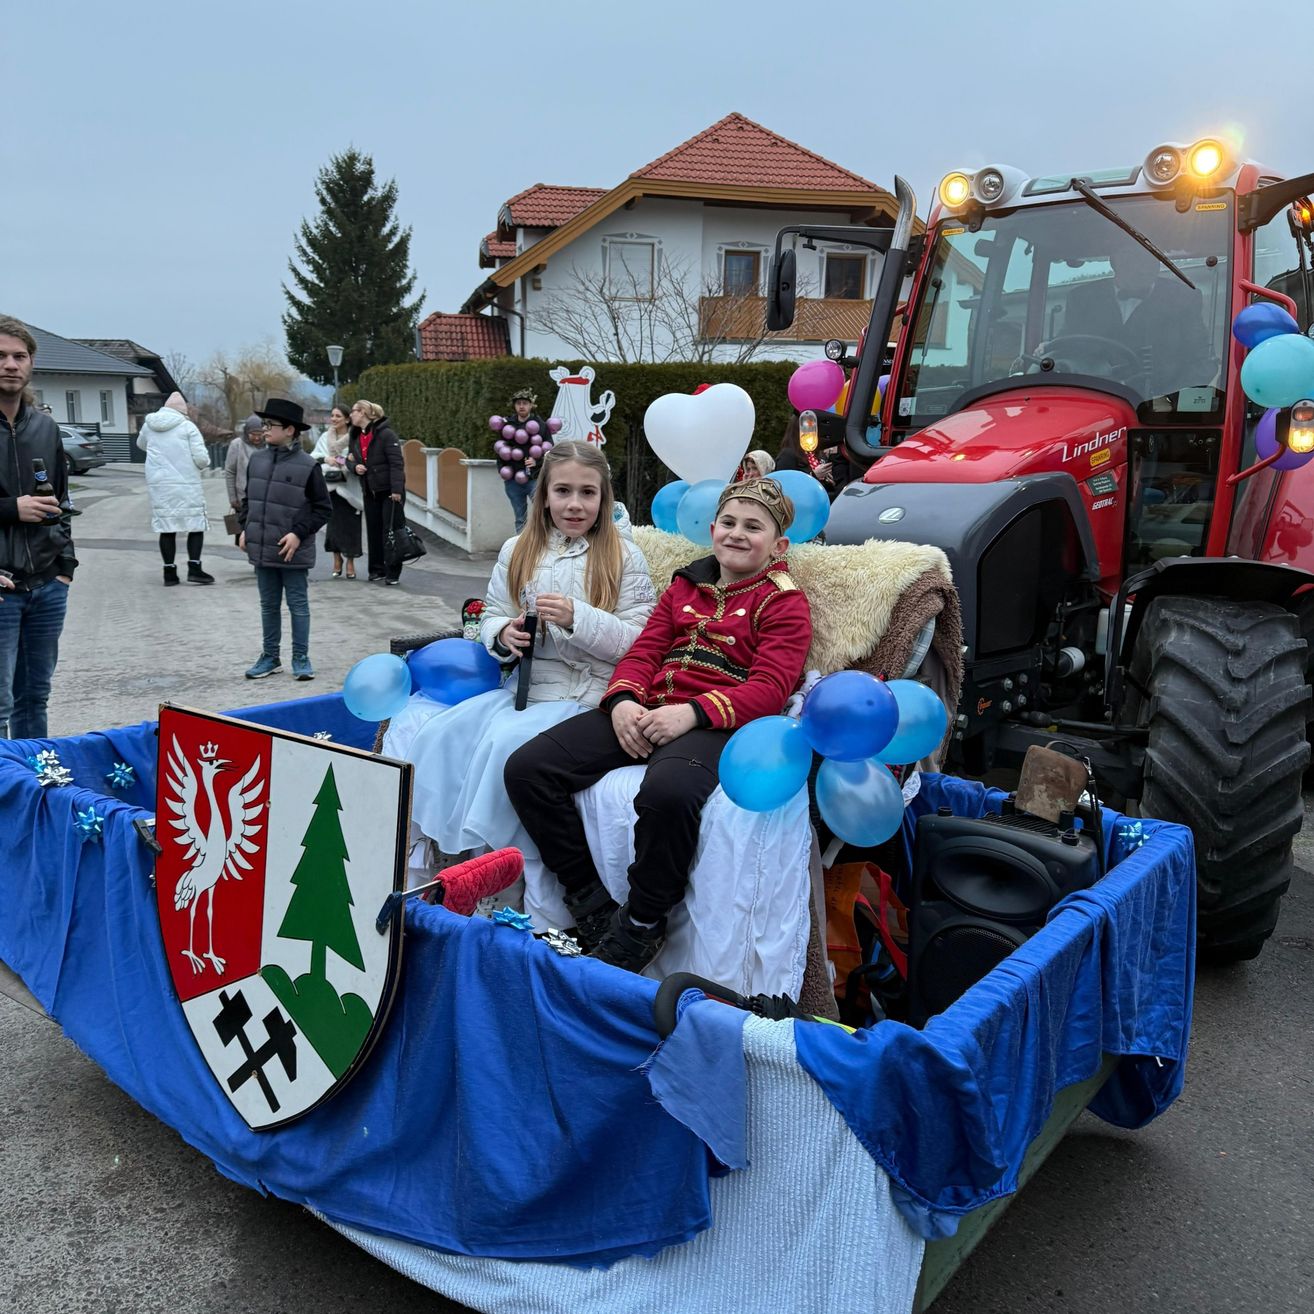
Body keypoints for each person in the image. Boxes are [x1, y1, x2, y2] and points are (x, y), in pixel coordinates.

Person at [504, 477, 812, 971]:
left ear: (778, 545)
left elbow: (771, 688)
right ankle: (591, 902)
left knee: (667, 794)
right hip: (647, 708)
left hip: (714, 724)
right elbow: (645, 650)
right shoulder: (685, 584)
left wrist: (690, 713)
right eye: (729, 523)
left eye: (752, 527)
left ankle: (644, 923)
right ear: (712, 529)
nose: (737, 534)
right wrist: (623, 700)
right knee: (527, 768)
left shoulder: (784, 603)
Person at [384, 440, 656, 874]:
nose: (575, 504)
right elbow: (493, 613)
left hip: (588, 695)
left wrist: (577, 618)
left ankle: (501, 872)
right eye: (563, 491)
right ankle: (438, 854)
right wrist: (503, 633)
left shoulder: (624, 555)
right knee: (443, 735)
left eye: (588, 492)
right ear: (544, 495)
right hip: (526, 690)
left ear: (604, 498)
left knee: (504, 746)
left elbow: (642, 642)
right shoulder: (518, 550)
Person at [0, 316, 77, 739]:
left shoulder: (45, 427)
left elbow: (62, 503)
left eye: (19, 356)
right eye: (1, 356)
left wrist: (65, 566)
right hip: (1, 589)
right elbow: (22, 507)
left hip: (47, 586)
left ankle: (32, 793)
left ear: (30, 365)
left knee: (34, 699)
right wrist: (12, 508)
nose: (10, 364)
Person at [238, 399, 331, 681]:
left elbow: (323, 508)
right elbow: (247, 501)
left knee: (298, 606)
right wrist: (244, 528)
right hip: (261, 547)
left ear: (290, 430)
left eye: (270, 425)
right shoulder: (257, 459)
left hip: (293, 550)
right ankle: (270, 657)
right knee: (268, 605)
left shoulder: (308, 465)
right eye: (264, 424)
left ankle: (300, 657)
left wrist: (298, 533)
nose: (264, 430)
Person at [1062, 242, 1214, 395]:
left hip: (1159, 407)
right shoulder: (1082, 299)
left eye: (1150, 257)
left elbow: (1201, 360)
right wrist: (1047, 352)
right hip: (1093, 397)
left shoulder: (1183, 298)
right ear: (1114, 261)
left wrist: (1170, 399)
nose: (1141, 266)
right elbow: (1067, 348)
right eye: (1131, 256)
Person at [137, 392, 214, 585]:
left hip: (160, 484)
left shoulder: (149, 426)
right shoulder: (188, 427)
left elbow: (140, 444)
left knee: (167, 527)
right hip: (186, 483)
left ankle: (169, 572)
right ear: (183, 411)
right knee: (195, 525)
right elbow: (202, 459)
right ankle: (194, 568)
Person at [348, 399, 405, 585]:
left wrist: (397, 490)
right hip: (369, 490)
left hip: (389, 491)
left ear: (363, 412)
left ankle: (393, 572)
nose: (351, 415)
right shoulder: (356, 436)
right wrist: (354, 466)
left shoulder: (386, 434)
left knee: (390, 531)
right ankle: (376, 570)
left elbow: (397, 463)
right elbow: (349, 459)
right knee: (373, 531)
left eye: (354, 411)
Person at [311, 404, 361, 579]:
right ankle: (337, 559)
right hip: (331, 487)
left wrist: (338, 459)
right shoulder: (325, 436)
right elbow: (314, 456)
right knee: (333, 527)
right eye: (332, 416)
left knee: (352, 527)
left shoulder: (355, 437)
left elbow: (356, 459)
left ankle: (351, 562)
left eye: (338, 416)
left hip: (350, 489)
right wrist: (327, 459)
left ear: (347, 419)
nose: (334, 419)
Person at [498, 387, 549, 532]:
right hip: (513, 480)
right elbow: (500, 449)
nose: (521, 406)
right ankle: (521, 550)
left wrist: (537, 463)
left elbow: (549, 450)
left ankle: (544, 545)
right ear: (514, 406)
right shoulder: (507, 425)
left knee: (545, 513)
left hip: (534, 479)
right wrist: (503, 471)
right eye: (518, 403)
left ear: (531, 405)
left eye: (525, 403)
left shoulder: (540, 425)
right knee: (520, 518)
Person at [225, 415, 265, 543]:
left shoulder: (268, 446)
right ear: (246, 432)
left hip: (263, 498)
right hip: (242, 499)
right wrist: (232, 497)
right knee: (243, 537)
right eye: (253, 434)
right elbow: (230, 471)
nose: (257, 437)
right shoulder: (236, 445)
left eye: (260, 434)